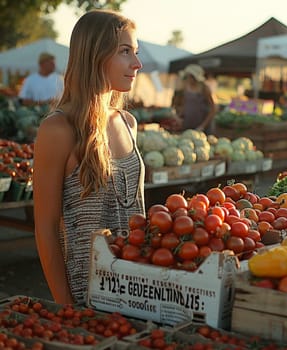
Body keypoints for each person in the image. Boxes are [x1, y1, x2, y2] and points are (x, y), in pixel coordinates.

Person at [33, 9, 145, 305]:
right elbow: (45, 227)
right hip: (88, 298)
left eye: (135, 52)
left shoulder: (128, 123)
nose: (137, 63)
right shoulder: (58, 129)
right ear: (95, 54)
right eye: (125, 51)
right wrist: (67, 307)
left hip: (141, 290)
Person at [171, 64, 216, 134]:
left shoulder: (204, 89)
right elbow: (183, 104)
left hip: (201, 125)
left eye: (191, 76)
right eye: (188, 76)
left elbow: (213, 109)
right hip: (187, 123)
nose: (189, 79)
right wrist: (178, 117)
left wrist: (202, 126)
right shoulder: (185, 87)